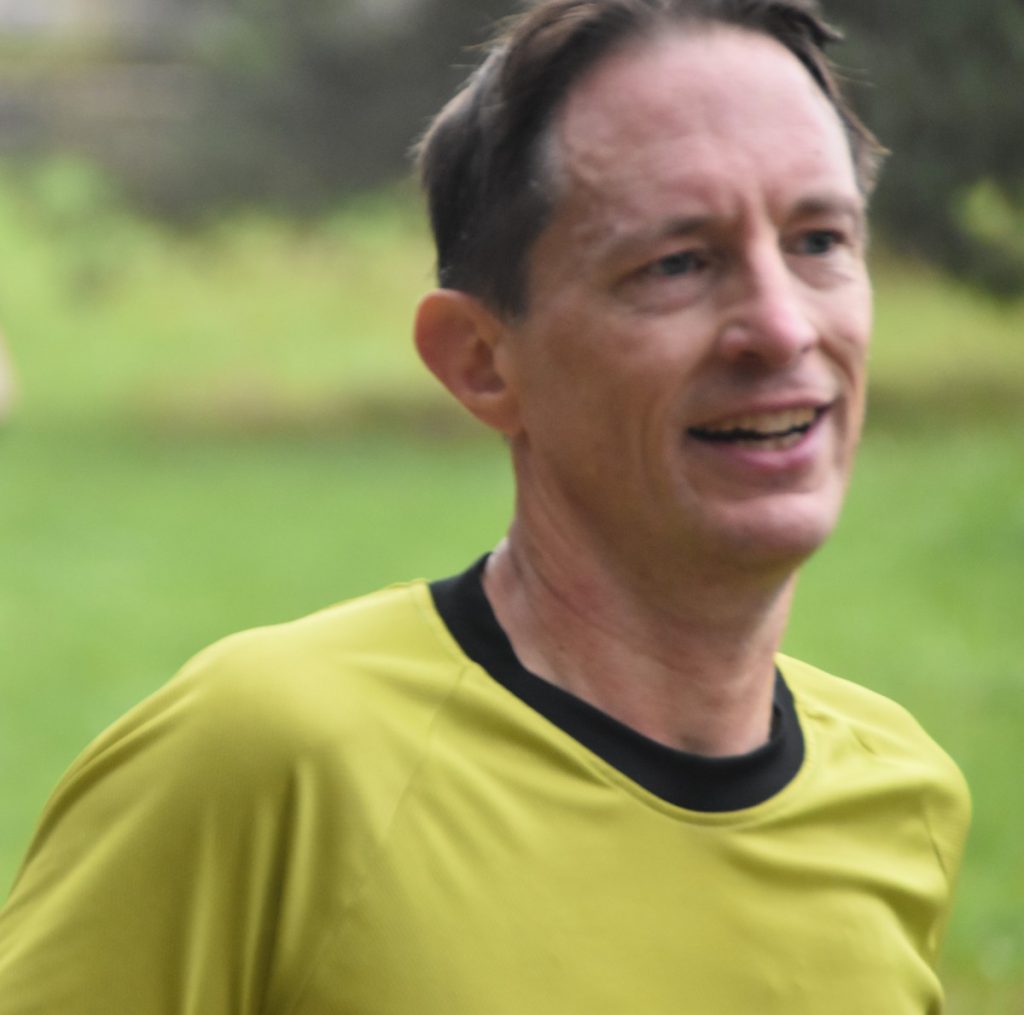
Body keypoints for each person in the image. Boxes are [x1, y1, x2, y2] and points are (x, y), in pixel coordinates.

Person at [0, 1, 970, 1011]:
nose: (780, 327)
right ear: (480, 361)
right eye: (677, 263)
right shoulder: (272, 762)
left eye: (818, 240)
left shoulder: (901, 798)